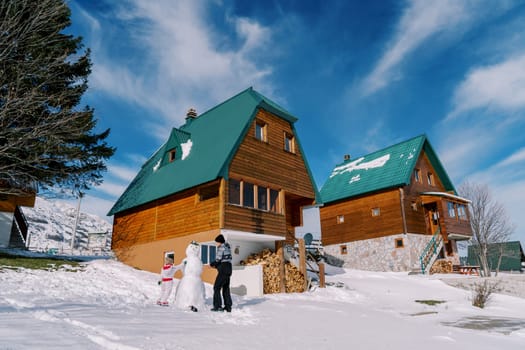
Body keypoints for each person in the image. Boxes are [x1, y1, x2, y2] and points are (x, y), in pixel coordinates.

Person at [210, 234, 232, 312]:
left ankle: (217, 306)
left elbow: (218, 259)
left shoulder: (221, 247)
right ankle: (228, 306)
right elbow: (225, 259)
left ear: (220, 241)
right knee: (226, 288)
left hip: (223, 269)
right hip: (229, 268)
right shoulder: (228, 247)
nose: (217, 244)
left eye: (217, 242)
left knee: (216, 287)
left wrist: (212, 264)